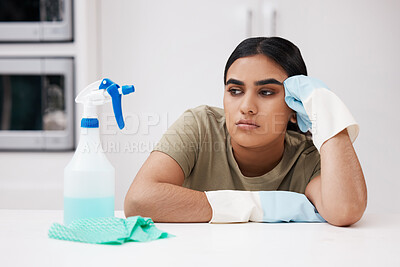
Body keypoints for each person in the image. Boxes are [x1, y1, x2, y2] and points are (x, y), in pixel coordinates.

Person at [124, 37, 367, 226]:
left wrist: (327, 111)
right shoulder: (200, 126)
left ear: (295, 106)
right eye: (235, 91)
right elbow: (139, 200)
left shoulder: (307, 157)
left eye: (267, 92)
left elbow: (345, 210)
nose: (247, 107)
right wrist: (255, 204)